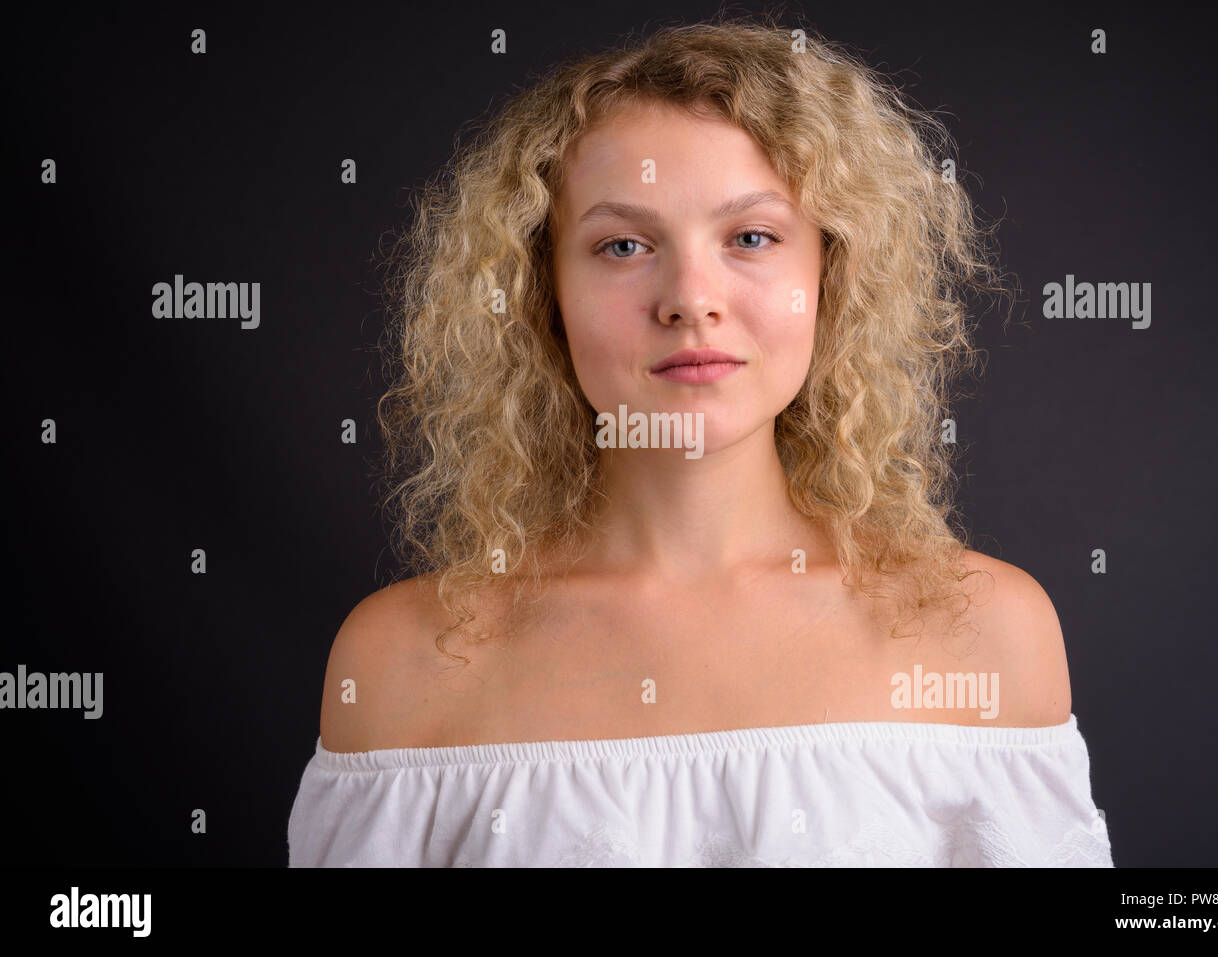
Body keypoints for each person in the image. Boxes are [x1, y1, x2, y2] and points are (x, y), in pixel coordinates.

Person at [288, 16, 1113, 867]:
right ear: (542, 294)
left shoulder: (986, 635)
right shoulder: (400, 662)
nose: (690, 298)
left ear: (832, 275)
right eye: (623, 245)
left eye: (751, 237)